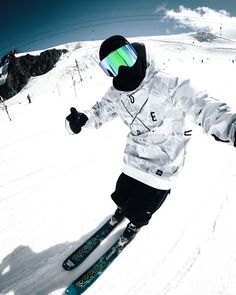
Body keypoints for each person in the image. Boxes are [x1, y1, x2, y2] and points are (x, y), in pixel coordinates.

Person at [65, 35, 236, 240]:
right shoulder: (116, 93)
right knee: (121, 194)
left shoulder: (165, 83)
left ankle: (135, 222)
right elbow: (100, 111)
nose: (120, 70)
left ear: (134, 53)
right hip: (134, 157)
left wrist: (230, 126)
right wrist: (82, 119)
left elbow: (201, 104)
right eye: (111, 66)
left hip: (163, 161)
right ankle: (122, 209)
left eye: (124, 58)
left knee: (141, 207)